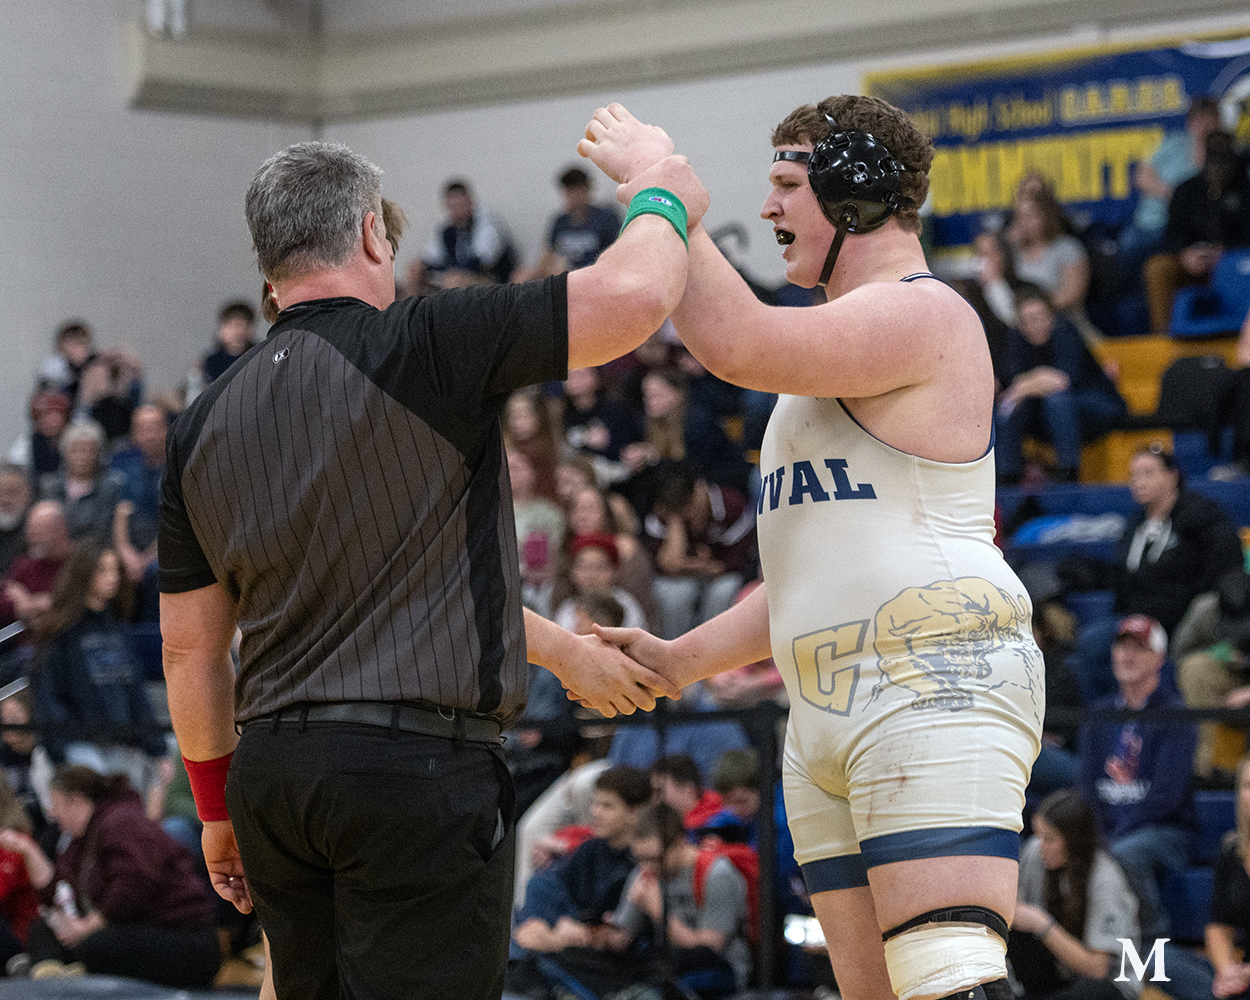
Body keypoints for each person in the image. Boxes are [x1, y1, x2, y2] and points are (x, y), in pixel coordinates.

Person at [157, 138, 704, 1000]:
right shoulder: (427, 341)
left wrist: (216, 808)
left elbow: (190, 654)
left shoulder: (199, 422)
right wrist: (660, 195)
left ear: (268, 263)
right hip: (411, 773)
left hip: (274, 782)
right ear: (372, 234)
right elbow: (633, 297)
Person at [580, 98, 1043, 1000]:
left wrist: (659, 189)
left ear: (854, 196)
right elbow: (805, 574)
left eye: (788, 185)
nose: (768, 208)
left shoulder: (926, 313)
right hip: (827, 703)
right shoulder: (827, 368)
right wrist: (681, 661)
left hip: (931, 677)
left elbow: (736, 342)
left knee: (948, 983)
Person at [0, 765, 220, 987]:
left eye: (56, 804)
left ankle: (64, 984)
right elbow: (60, 892)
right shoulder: (80, 841)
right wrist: (30, 852)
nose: (53, 814)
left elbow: (135, 884)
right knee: (43, 928)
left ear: (75, 800)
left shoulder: (122, 822)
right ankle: (49, 981)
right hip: (127, 930)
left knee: (95, 945)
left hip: (180, 936)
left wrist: (88, 927)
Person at [1078, 614, 1196, 942]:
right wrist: (1097, 835)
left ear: (1159, 658)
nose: (1127, 656)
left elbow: (1166, 798)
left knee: (1123, 854)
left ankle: (1153, 941)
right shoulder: (1098, 714)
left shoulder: (1176, 714)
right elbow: (1086, 789)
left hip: (1166, 831)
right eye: (1121, 647)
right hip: (1112, 830)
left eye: (1139, 649)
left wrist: (1110, 839)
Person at [29, 540, 169, 802]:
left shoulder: (118, 630)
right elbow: (47, 697)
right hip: (79, 747)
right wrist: (61, 750)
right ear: (84, 573)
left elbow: (136, 693)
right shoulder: (61, 633)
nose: (112, 577)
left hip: (122, 745)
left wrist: (157, 748)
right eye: (102, 570)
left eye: (115, 570)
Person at [1009, 788, 1141, 1000]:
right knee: (1015, 933)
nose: (1040, 846)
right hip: (1058, 974)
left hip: (1106, 985)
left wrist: (1043, 925)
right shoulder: (1034, 853)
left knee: (1092, 992)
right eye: (1038, 835)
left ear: (1074, 841)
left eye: (1050, 839)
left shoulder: (1105, 879)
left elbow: (1098, 970)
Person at [994, 285, 1126, 484]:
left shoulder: (1065, 331)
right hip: (1047, 412)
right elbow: (1012, 380)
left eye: (1042, 317)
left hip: (1094, 404)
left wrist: (1025, 385)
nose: (1037, 324)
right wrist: (1028, 385)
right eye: (1029, 320)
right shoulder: (1015, 338)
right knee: (1009, 406)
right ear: (1020, 323)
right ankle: (1006, 478)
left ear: (1052, 315)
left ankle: (1068, 474)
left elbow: (1061, 380)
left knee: (1057, 400)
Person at [1143, 130, 1250, 336]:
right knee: (1157, 267)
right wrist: (1185, 254)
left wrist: (1227, 254)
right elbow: (1172, 235)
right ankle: (1162, 338)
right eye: (1212, 158)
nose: (1216, 167)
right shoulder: (1186, 190)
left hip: (1235, 266)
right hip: (1193, 263)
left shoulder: (1245, 191)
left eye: (1222, 158)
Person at [412, 177, 518, 290]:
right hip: (455, 276)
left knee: (453, 281)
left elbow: (484, 261)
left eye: (460, 205)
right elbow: (430, 258)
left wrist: (453, 270)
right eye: (452, 207)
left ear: (470, 203)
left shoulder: (486, 223)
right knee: (415, 272)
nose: (456, 211)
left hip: (490, 279)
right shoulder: (447, 230)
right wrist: (422, 267)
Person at [522, 165, 622, 280]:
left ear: (586, 190)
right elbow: (547, 257)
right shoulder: (560, 221)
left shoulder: (606, 219)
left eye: (577, 190)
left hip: (595, 277)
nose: (573, 196)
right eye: (569, 191)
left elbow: (616, 256)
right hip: (565, 277)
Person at [37, 419, 121, 542]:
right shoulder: (50, 485)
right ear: (65, 452)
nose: (83, 456)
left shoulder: (111, 485)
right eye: (77, 450)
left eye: (89, 450)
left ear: (99, 454)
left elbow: (105, 527)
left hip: (95, 546)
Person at [0, 501, 72, 629]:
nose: (33, 539)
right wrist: (27, 605)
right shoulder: (24, 564)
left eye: (39, 532)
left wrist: (50, 603)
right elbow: (5, 596)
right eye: (31, 532)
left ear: (60, 530)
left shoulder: (77, 563)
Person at [0, 465, 31, 578]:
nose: (5, 500)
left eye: (12, 492)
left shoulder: (38, 528)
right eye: (1, 493)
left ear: (27, 493)